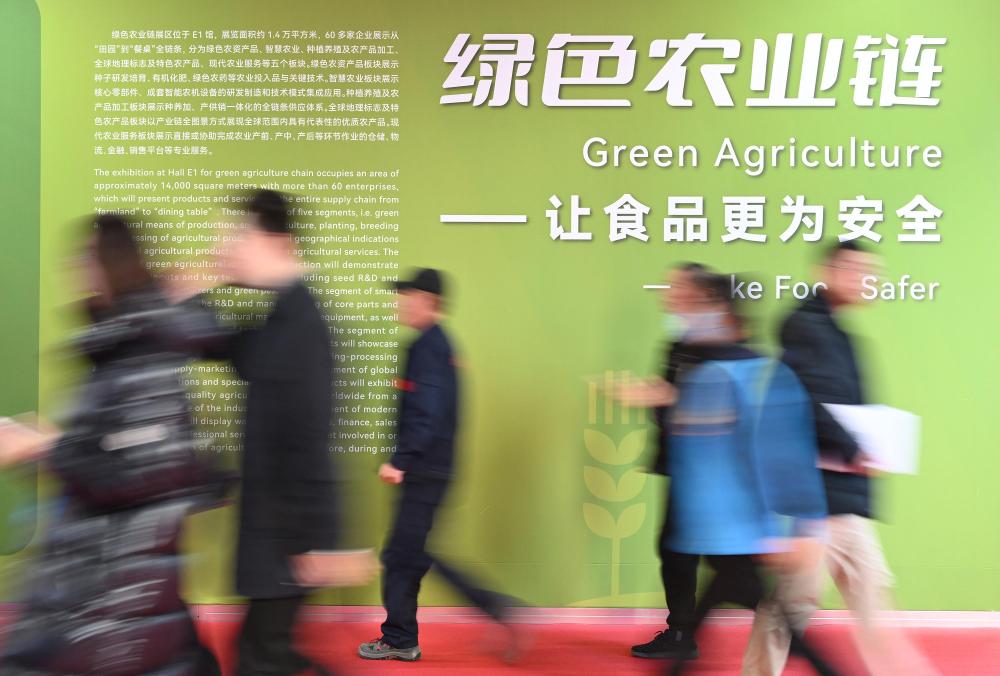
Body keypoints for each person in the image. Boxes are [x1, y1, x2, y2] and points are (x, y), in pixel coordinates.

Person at [0, 213, 226, 675]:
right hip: (107, 588)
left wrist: (45, 447)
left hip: (113, 597)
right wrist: (54, 443)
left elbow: (138, 470)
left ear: (113, 263)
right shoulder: (124, 348)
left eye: (85, 257)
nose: (74, 269)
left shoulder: (140, 352)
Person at [175, 189, 375, 676]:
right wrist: (202, 284)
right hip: (279, 538)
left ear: (278, 241)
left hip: (285, 541)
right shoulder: (282, 317)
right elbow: (219, 344)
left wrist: (317, 541)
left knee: (262, 659)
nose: (226, 247)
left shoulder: (303, 324)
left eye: (237, 236)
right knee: (266, 655)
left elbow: (309, 437)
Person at [742, 241, 936, 676]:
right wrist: (856, 448)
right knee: (795, 602)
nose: (867, 280)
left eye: (871, 272)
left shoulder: (833, 331)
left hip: (840, 493)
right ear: (826, 271)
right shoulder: (806, 326)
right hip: (818, 493)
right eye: (856, 269)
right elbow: (811, 401)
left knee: (870, 592)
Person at [658, 272, 835, 676]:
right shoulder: (709, 375)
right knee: (776, 621)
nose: (682, 315)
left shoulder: (747, 376)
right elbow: (701, 465)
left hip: (739, 535)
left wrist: (789, 530)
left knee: (786, 628)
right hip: (728, 535)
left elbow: (780, 456)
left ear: (725, 317)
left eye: (693, 307)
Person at [358, 268, 513, 663]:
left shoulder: (428, 347)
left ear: (429, 302)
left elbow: (426, 412)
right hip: (431, 469)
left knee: (403, 556)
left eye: (406, 296)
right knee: (411, 554)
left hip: (424, 471)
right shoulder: (436, 344)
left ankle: (405, 636)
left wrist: (401, 460)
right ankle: (409, 633)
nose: (399, 303)